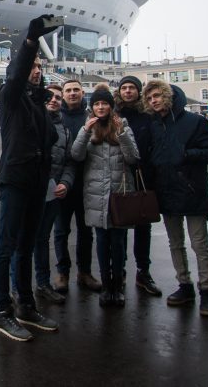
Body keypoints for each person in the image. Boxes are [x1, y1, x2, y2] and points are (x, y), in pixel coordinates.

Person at [0, 14, 60, 342]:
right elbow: (18, 77)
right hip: (15, 180)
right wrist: (31, 42)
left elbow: (49, 143)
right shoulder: (10, 96)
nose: (36, 70)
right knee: (6, 245)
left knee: (26, 246)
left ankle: (26, 305)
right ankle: (3, 311)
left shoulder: (38, 106)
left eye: (39, 67)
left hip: (37, 183)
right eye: (31, 66)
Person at [143, 81, 208, 317]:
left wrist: (188, 155)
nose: (153, 101)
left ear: (168, 96)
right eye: (149, 98)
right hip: (167, 193)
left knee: (199, 245)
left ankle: (207, 292)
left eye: (157, 96)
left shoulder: (195, 122)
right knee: (175, 243)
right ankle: (184, 285)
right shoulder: (154, 125)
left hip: (192, 192)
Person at [71, 85, 139, 307]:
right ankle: (106, 284)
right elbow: (76, 155)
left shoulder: (123, 126)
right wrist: (83, 131)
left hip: (119, 194)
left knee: (118, 242)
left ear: (111, 106)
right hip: (96, 194)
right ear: (93, 107)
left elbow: (133, 158)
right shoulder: (88, 129)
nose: (101, 107)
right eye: (97, 104)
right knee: (101, 242)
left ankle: (117, 285)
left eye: (104, 103)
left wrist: (121, 134)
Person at [114, 75, 162, 296]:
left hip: (144, 176)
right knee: (121, 224)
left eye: (132, 87)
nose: (128, 91)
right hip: (120, 176)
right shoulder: (113, 114)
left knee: (144, 226)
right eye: (124, 88)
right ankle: (119, 271)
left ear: (138, 91)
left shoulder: (148, 116)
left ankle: (143, 271)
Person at [53, 79, 102, 294]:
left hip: (87, 184)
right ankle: (63, 272)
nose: (72, 94)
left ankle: (84, 272)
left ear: (83, 93)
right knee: (61, 231)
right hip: (62, 185)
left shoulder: (91, 117)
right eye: (68, 91)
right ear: (63, 95)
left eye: (76, 90)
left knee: (86, 232)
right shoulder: (57, 117)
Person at [32, 83, 75, 305]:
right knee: (21, 241)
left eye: (59, 97)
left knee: (42, 239)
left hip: (52, 192)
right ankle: (18, 288)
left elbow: (69, 162)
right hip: (29, 192)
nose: (54, 99)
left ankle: (43, 283)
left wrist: (65, 183)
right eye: (51, 96)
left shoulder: (65, 131)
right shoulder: (29, 121)